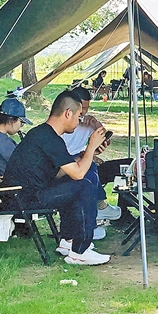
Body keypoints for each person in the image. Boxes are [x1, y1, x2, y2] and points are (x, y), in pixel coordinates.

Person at [3, 90, 110, 266]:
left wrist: (87, 154)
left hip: (24, 194)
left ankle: (68, 240)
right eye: (78, 116)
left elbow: (62, 172)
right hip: (23, 199)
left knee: (75, 182)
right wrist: (91, 147)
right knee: (83, 185)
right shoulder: (49, 138)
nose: (79, 121)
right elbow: (78, 173)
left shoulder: (45, 134)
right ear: (68, 113)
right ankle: (79, 251)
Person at [62, 87, 127, 222]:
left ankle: (124, 214)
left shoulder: (87, 122)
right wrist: (86, 155)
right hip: (70, 170)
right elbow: (63, 158)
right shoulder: (60, 128)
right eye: (82, 108)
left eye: (87, 108)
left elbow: (102, 137)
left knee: (127, 165)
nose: (84, 112)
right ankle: (99, 206)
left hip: (85, 163)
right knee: (90, 169)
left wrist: (98, 129)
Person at [0, 98, 32, 176]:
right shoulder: (4, 143)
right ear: (10, 120)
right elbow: (24, 165)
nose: (21, 126)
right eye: (21, 123)